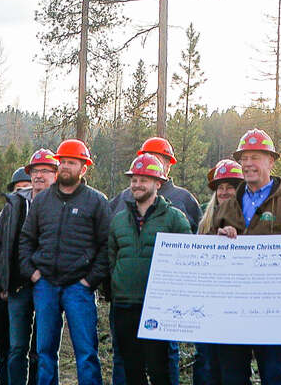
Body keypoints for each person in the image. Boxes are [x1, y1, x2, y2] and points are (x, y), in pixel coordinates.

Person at [211, 128, 281, 385]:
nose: (249, 164)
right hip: (233, 309)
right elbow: (209, 246)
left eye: (256, 157)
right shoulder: (229, 205)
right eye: (245, 158)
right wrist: (219, 237)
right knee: (232, 376)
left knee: (277, 376)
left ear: (271, 162)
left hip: (274, 312)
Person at [108, 136, 202, 385]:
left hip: (160, 306)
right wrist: (114, 286)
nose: (138, 184)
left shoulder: (174, 217)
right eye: (134, 180)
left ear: (158, 183)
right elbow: (111, 255)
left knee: (160, 368)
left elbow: (189, 256)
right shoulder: (119, 217)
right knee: (131, 367)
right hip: (125, 303)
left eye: (144, 180)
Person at [19, 138, 109, 385]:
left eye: (72, 162)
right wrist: (32, 272)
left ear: (84, 168)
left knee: (86, 352)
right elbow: (27, 238)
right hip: (45, 283)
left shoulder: (96, 201)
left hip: (78, 288)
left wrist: (89, 280)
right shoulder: (43, 200)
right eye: (63, 162)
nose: (66, 167)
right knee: (45, 352)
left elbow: (106, 246)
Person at [0, 149, 60, 385]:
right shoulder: (15, 203)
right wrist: (2, 282)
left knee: (44, 349)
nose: (39, 176)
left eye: (45, 171)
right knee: (16, 348)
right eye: (35, 171)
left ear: (56, 174)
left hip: (48, 286)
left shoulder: (63, 204)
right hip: (18, 287)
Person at [0, 166, 32, 385]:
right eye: (18, 189)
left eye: (27, 188)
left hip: (29, 290)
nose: (22, 193)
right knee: (5, 344)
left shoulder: (40, 217)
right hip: (0, 292)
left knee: (28, 347)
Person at [193, 160, 244, 385]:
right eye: (220, 187)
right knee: (205, 362)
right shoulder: (205, 222)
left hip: (235, 306)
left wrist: (236, 237)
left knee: (233, 365)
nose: (224, 192)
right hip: (207, 304)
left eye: (230, 187)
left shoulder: (246, 217)